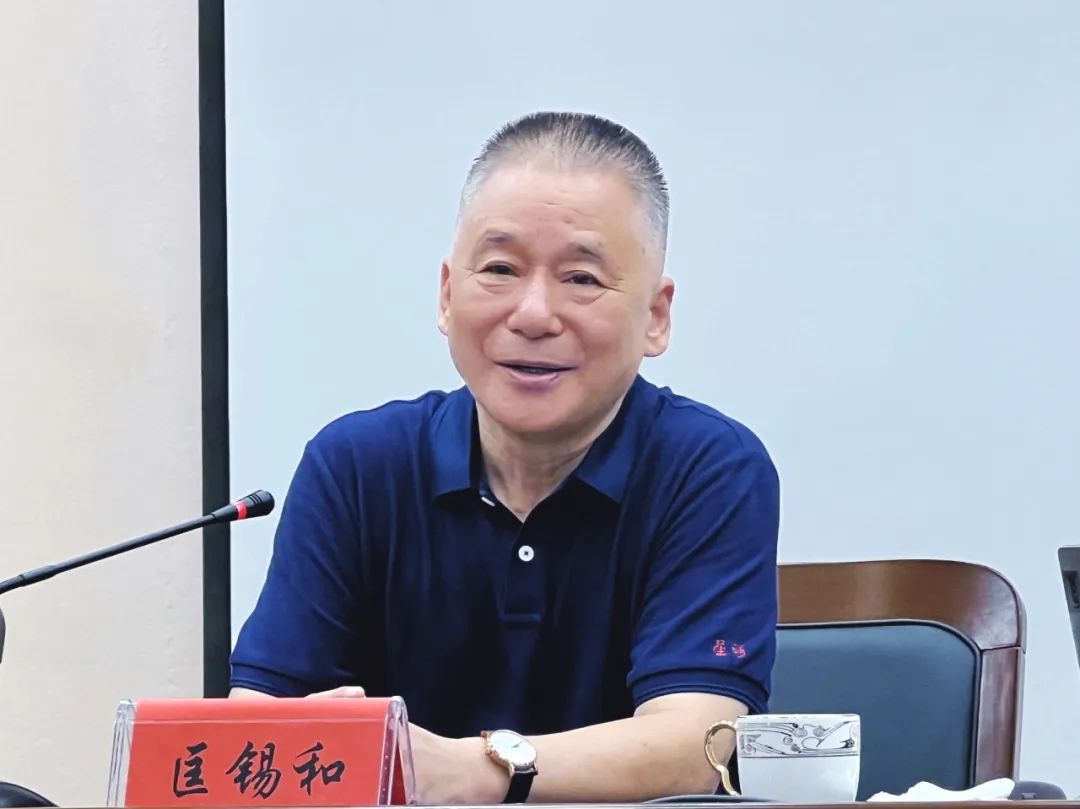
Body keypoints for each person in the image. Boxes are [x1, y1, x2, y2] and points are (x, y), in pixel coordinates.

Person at [229, 111, 780, 804]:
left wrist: (473, 770)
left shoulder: (710, 469)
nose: (533, 314)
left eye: (582, 278)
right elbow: (257, 734)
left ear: (656, 316)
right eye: (499, 269)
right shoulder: (356, 467)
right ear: (446, 294)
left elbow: (696, 745)